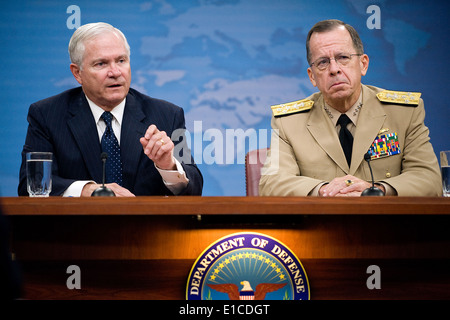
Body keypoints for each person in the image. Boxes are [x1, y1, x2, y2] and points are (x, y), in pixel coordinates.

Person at [259, 19, 442, 197]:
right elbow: (272, 183)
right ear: (312, 76)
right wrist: (325, 190)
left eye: (343, 58)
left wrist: (376, 190)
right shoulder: (289, 122)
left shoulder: (404, 113)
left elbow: (429, 179)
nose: (334, 69)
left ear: (363, 64)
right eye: (323, 62)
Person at [18, 22, 203, 197]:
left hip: (147, 228)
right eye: (101, 64)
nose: (115, 72)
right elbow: (30, 184)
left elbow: (194, 188)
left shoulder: (167, 115)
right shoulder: (46, 115)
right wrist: (89, 190)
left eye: (121, 60)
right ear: (77, 73)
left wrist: (168, 166)